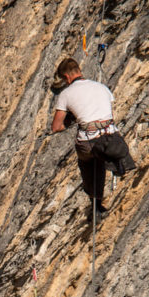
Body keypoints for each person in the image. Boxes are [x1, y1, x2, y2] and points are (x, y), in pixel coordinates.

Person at [50, 57, 134, 217]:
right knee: (100, 159)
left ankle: (94, 202)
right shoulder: (102, 87)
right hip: (111, 137)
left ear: (66, 77)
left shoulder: (66, 94)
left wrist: (70, 120)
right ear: (78, 71)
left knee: (87, 162)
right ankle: (102, 196)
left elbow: (56, 127)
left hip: (88, 141)